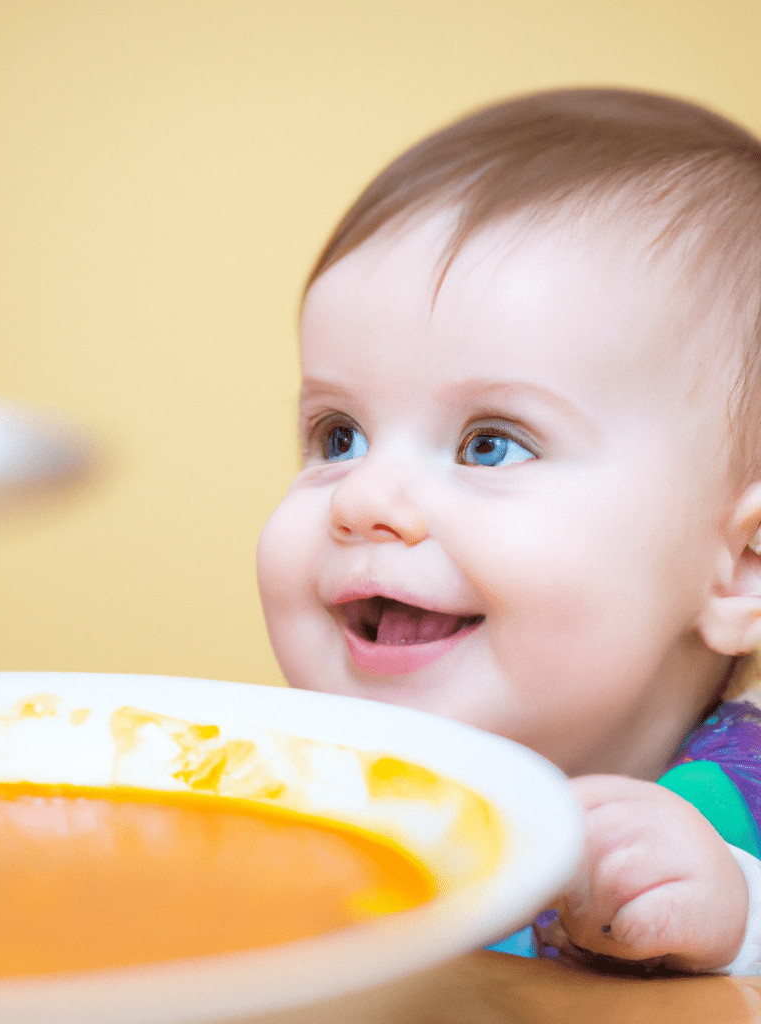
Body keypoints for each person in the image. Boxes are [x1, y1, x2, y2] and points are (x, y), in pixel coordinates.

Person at [255, 87, 761, 975]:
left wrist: (739, 918)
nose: (364, 496)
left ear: (741, 573)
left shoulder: (742, 807)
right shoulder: (290, 788)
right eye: (340, 435)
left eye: (490, 445)